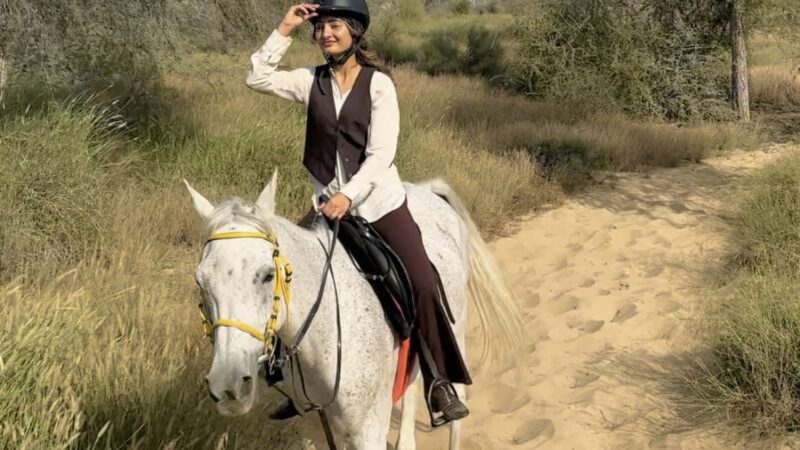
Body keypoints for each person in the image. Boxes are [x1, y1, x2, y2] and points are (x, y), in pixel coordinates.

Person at [245, 0, 471, 423]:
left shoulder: (379, 85)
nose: (326, 33)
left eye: (335, 25)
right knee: (284, 273)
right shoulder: (309, 81)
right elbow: (256, 76)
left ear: (355, 31)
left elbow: (381, 154)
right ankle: (292, 379)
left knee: (422, 280)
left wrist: (348, 196)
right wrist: (286, 26)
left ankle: (439, 381)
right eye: (321, 27)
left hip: (377, 205)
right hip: (329, 209)